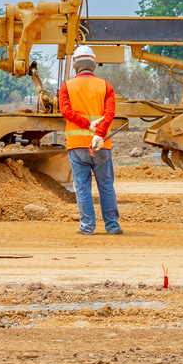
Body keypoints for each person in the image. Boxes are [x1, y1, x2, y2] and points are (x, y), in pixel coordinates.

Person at [58, 45, 122, 236]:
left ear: (76, 65)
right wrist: (98, 133)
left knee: (82, 188)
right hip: (101, 145)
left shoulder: (67, 86)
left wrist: (87, 124)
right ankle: (112, 226)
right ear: (93, 64)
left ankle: (87, 227)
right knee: (106, 186)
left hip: (77, 145)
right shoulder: (106, 86)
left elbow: (66, 112)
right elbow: (109, 113)